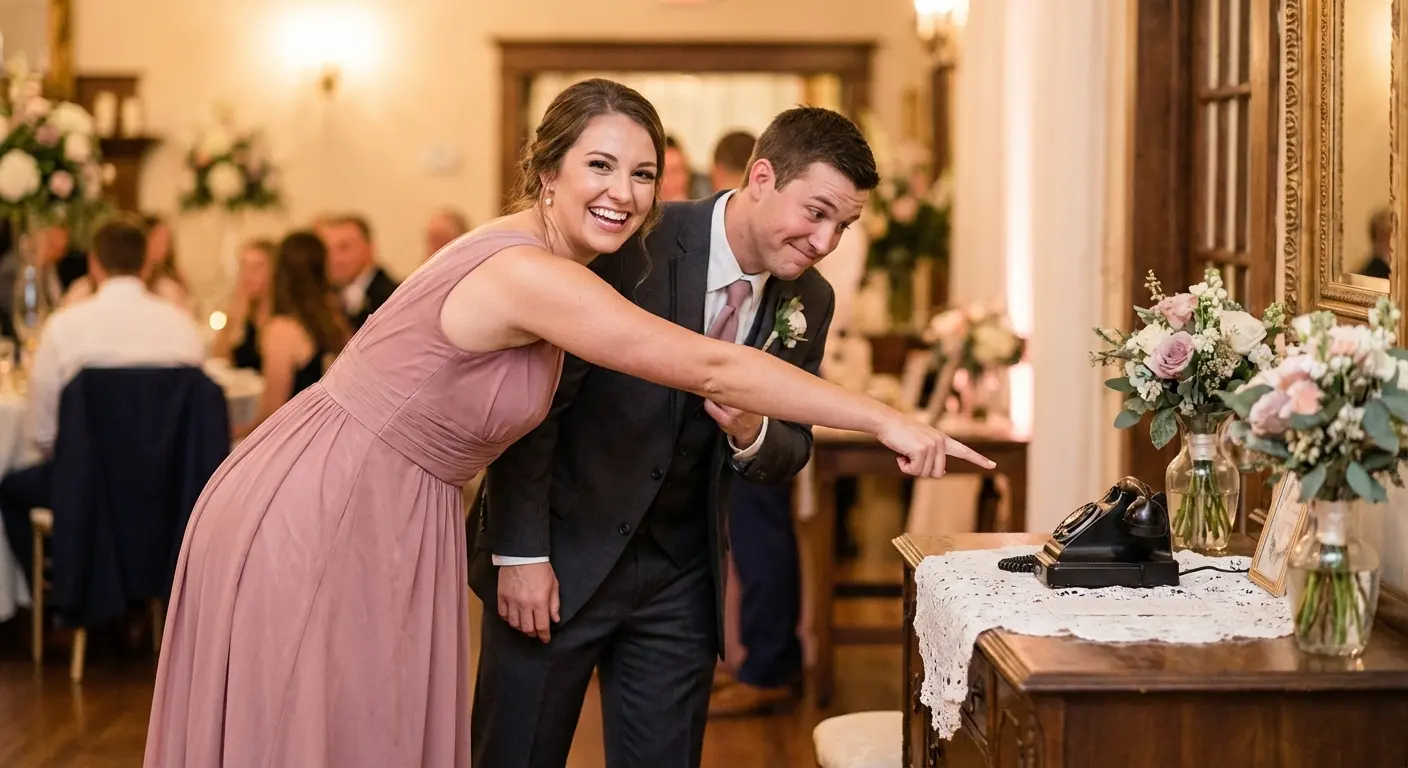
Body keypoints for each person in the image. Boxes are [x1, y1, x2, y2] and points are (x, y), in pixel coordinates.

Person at [143, 78, 990, 767]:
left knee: (359, 730)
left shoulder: (580, 258)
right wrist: (888, 419)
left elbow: (740, 405)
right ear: (546, 172)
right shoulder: (535, 274)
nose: (623, 194)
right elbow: (708, 363)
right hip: (329, 501)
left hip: (415, 509)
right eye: (600, 166)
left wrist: (755, 429)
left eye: (643, 174)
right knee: (306, 729)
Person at [466, 106, 890, 762]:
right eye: (817, 212)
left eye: (845, 225)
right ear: (761, 177)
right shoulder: (633, 240)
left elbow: (791, 450)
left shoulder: (812, 301)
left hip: (678, 582)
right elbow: (537, 403)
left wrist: (754, 431)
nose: (826, 241)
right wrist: (521, 553)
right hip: (557, 560)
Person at [0, 218, 204, 583]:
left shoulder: (65, 326)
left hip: (85, 490)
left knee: (10, 489)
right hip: (165, 490)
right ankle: (151, 596)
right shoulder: (182, 326)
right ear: (146, 265)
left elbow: (43, 434)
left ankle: (57, 594)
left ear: (94, 264)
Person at [232, 232, 349, 439]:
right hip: (331, 437)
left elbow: (272, 414)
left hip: (297, 441)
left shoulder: (282, 329)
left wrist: (232, 434)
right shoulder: (335, 321)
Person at [60, 214, 191, 311]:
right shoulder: (81, 292)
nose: (163, 247)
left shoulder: (167, 291)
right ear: (146, 263)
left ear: (94, 262)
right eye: (158, 240)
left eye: (166, 241)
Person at [320, 213, 399, 329]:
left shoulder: (392, 298)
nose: (334, 258)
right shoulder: (325, 297)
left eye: (344, 248)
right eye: (327, 250)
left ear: (370, 248)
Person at [210, 238, 276, 371]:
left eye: (257, 267)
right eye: (243, 266)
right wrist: (234, 320)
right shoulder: (241, 310)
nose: (248, 275)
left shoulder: (281, 317)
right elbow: (218, 359)